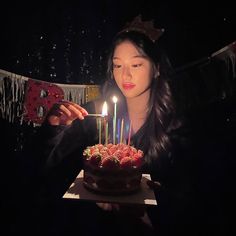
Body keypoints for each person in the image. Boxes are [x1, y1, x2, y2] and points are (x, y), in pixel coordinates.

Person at [22, 15, 197, 235]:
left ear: (157, 68)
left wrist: (143, 213)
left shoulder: (175, 127)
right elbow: (37, 169)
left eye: (136, 64)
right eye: (117, 65)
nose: (125, 74)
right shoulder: (92, 116)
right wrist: (54, 129)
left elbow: (190, 209)